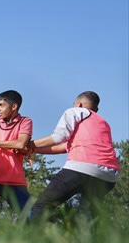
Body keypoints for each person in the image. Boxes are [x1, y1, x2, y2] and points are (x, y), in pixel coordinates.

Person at [27, 91, 121, 221]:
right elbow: (63, 147)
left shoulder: (76, 111)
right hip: (109, 176)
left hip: (81, 168)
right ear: (96, 109)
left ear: (79, 104)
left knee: (41, 207)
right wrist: (33, 150)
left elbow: (58, 137)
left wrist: (25, 144)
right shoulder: (103, 123)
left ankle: (32, 240)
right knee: (87, 217)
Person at [0, 90, 33, 214]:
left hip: (13, 179)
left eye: (1, 105)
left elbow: (20, 143)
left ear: (14, 107)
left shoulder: (25, 122)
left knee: (30, 216)